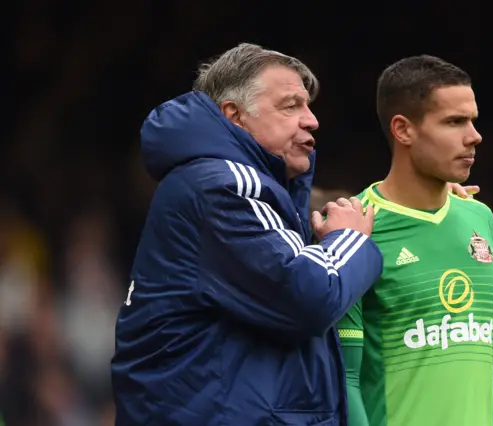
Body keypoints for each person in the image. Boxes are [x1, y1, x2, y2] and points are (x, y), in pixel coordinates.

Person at [110, 43, 385, 426]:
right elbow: (310, 295)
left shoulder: (222, 184)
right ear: (234, 116)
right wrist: (350, 239)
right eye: (290, 106)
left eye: (308, 106)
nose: (312, 121)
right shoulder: (224, 186)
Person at [337, 55, 493, 426]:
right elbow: (345, 380)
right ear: (403, 130)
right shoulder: (357, 230)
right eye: (454, 122)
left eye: (473, 120)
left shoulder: (481, 219)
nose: (474, 135)